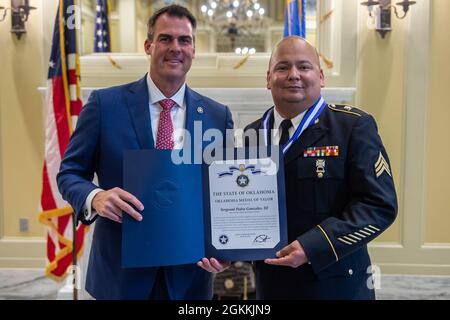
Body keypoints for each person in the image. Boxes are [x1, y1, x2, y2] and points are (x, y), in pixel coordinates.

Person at [57, 5, 233, 300]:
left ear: (193, 49)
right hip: (121, 276)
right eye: (165, 39)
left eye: (184, 40)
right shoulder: (104, 105)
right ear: (148, 46)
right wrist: (95, 197)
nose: (175, 48)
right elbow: (70, 173)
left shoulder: (217, 115)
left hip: (190, 277)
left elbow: (223, 193)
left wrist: (226, 250)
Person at [200, 36, 398, 299]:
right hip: (272, 285)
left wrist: (313, 246)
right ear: (268, 78)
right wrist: (231, 252)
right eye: (282, 68)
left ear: (321, 76)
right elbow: (245, 205)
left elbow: (378, 206)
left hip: (334, 283)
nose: (293, 75)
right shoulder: (252, 133)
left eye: (304, 67)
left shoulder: (353, 126)